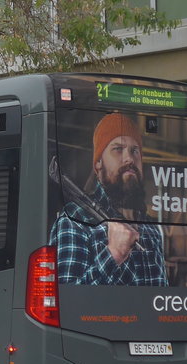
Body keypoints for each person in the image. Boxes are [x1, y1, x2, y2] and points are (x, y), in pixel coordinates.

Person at [51, 111, 167, 285]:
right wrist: (113, 254)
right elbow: (68, 301)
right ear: (98, 163)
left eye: (135, 150)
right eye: (118, 149)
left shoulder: (151, 230)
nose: (129, 158)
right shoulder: (75, 221)